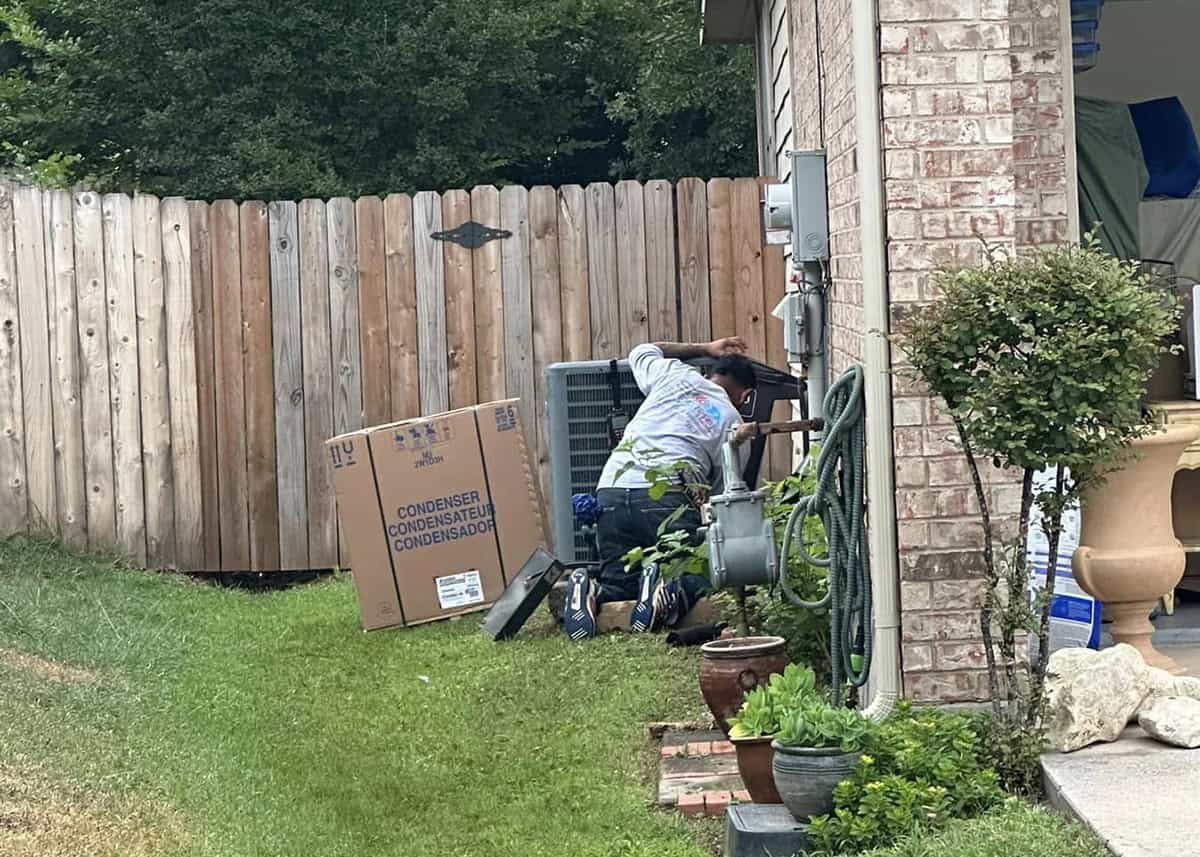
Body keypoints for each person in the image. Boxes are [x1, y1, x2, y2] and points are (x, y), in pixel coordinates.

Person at [563, 337, 757, 640]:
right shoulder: (732, 421)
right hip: (665, 495)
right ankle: (669, 584)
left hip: (611, 489)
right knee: (697, 572)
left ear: (709, 374)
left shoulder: (674, 374)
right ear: (745, 396)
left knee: (621, 582)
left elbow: (642, 350)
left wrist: (705, 348)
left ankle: (593, 588)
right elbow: (721, 498)